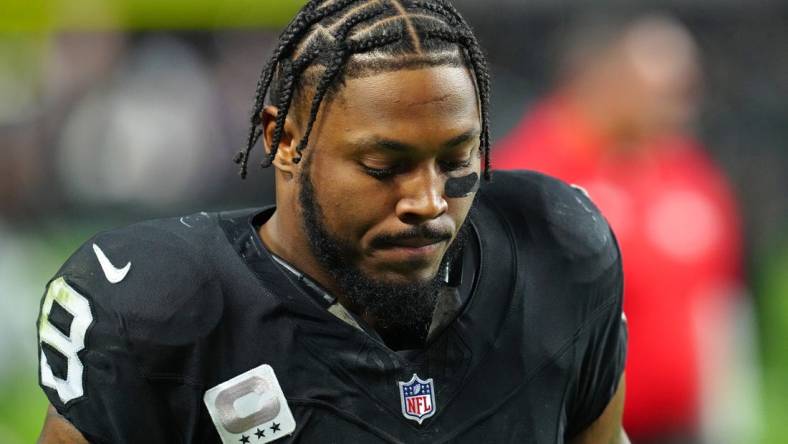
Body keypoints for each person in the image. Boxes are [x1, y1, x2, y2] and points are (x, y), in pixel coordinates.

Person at [36, 1, 628, 442]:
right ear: (284, 140)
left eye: (455, 159)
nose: (428, 200)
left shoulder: (557, 248)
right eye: (384, 165)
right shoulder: (157, 307)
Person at [493, 13, 749, 443]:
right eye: (668, 91)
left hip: (680, 429)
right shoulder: (531, 175)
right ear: (606, 82)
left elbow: (715, 304)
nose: (685, 105)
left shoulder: (689, 173)